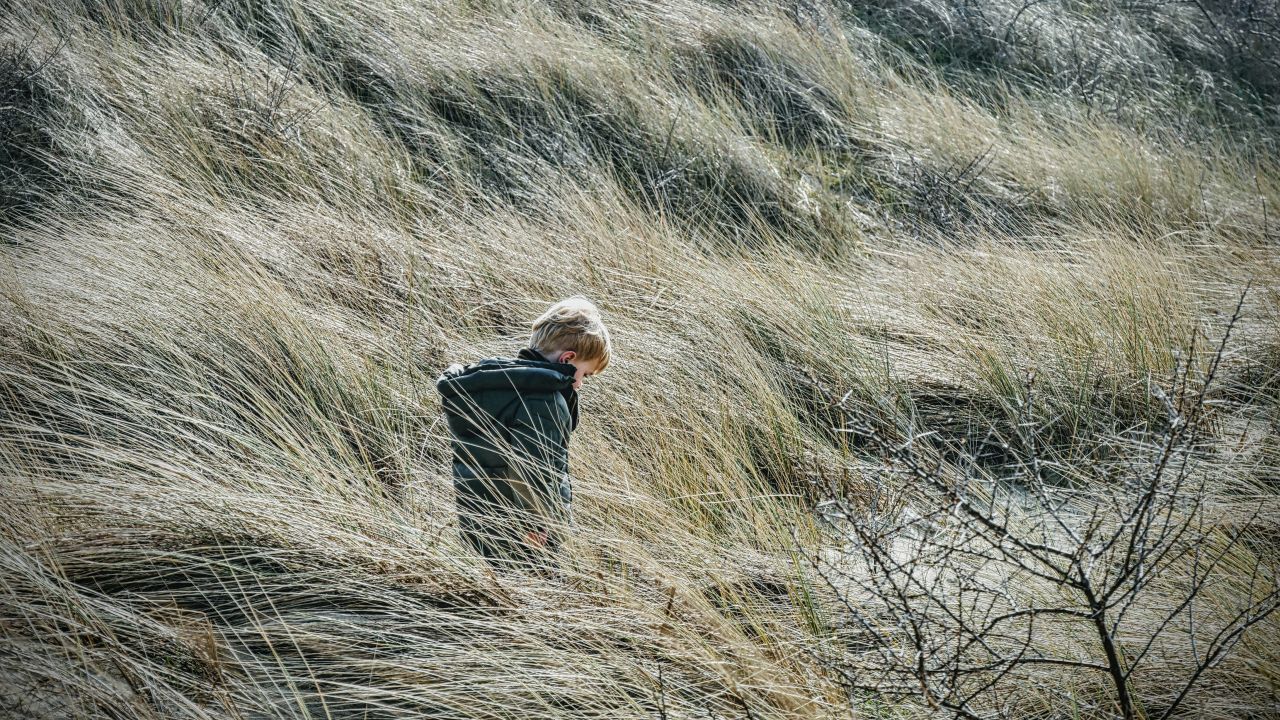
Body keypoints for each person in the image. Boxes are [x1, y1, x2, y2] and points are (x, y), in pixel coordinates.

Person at [436, 296, 610, 569]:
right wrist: (538, 522)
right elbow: (533, 468)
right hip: (526, 534)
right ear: (568, 358)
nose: (580, 385)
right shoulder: (543, 400)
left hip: (478, 519)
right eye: (585, 375)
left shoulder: (495, 385)